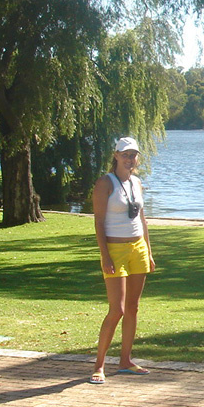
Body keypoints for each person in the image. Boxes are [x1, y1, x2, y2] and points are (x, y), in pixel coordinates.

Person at [89, 137, 155, 384]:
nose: (130, 159)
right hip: (115, 250)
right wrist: (105, 255)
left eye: (133, 155)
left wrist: (148, 252)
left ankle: (125, 360)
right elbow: (98, 222)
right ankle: (99, 365)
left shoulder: (137, 182)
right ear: (116, 155)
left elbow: (142, 219)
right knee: (116, 309)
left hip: (137, 247)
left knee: (133, 308)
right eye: (125, 154)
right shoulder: (105, 183)